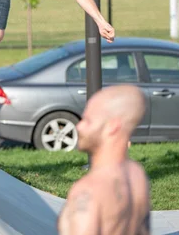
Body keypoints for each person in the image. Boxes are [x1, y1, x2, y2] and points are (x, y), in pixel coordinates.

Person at [58, 85, 151, 235]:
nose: (79, 126)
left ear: (112, 127)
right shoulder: (138, 175)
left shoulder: (87, 191)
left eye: (87, 121)